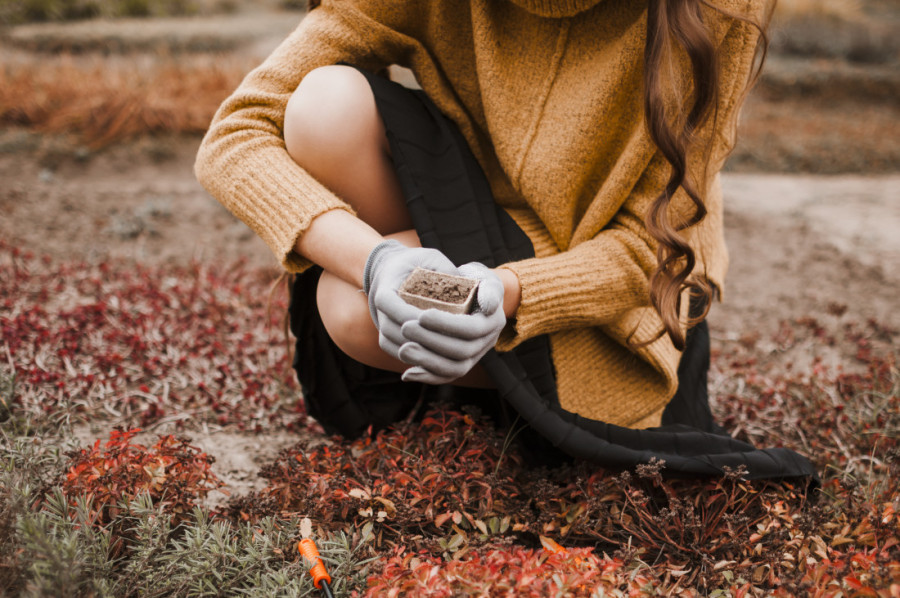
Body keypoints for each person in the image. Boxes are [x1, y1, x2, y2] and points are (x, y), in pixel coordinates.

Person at [196, 0, 817, 480]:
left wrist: (509, 292)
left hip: (608, 296)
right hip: (472, 219)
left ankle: (501, 375)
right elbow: (236, 133)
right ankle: (451, 355)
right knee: (324, 109)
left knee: (350, 310)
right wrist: (377, 261)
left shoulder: (716, 10)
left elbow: (657, 250)